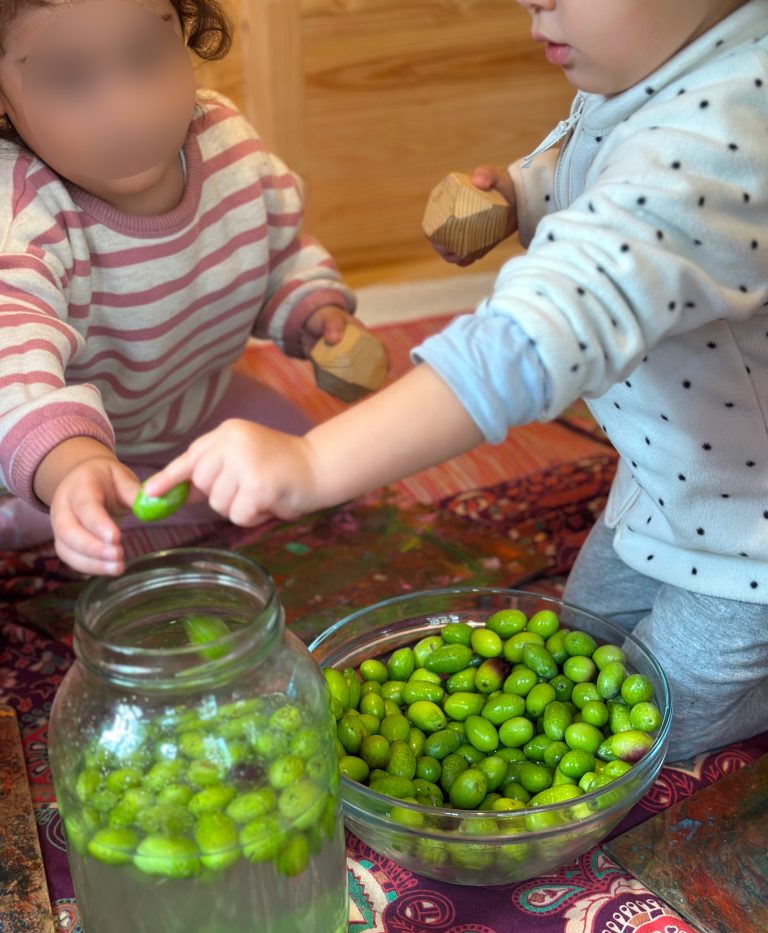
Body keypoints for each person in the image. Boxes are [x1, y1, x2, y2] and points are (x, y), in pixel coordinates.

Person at [151, 0, 768, 761]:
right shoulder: (663, 63)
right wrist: (516, 194)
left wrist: (314, 462)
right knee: (583, 648)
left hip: (751, 531)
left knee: (657, 725)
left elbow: (533, 337)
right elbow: (604, 159)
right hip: (667, 479)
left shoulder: (727, 132)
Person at [0, 0, 365, 573]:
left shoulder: (225, 139)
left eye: (146, 55)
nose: (125, 108)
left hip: (193, 402)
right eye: (67, 77)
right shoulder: (19, 220)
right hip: (64, 436)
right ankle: (27, 511)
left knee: (326, 471)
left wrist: (314, 312)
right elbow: (14, 377)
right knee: (85, 508)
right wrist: (70, 467)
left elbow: (276, 249)